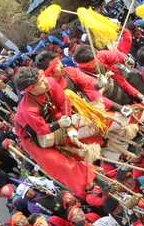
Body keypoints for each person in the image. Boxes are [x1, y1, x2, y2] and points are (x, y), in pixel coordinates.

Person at [13, 67, 111, 196]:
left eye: (43, 79)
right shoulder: (27, 109)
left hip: (57, 117)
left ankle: (101, 144)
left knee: (82, 128)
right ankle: (94, 178)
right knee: (58, 162)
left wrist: (69, 125)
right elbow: (41, 130)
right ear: (31, 89)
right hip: (32, 138)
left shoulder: (51, 82)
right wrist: (60, 124)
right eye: (41, 83)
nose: (46, 82)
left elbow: (64, 103)